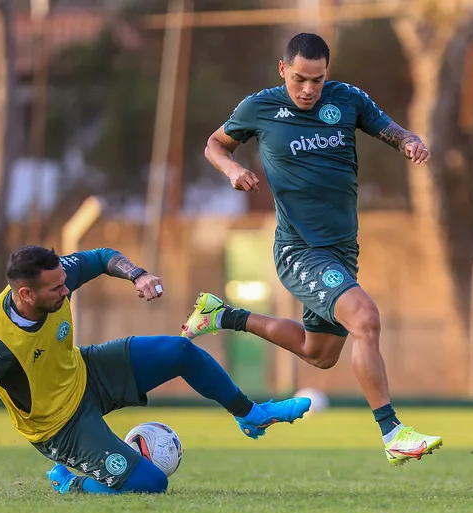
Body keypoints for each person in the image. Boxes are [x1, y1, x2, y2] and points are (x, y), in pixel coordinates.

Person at [185, 32, 442, 466]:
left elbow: (391, 129)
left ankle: (220, 315)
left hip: (342, 251)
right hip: (300, 251)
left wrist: (410, 141)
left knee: (317, 353)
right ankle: (393, 432)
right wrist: (231, 169)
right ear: (283, 70)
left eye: (317, 80)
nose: (308, 90)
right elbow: (215, 143)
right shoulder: (260, 107)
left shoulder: (347, 100)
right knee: (365, 318)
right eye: (300, 79)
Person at [0, 245, 311, 499]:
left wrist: (138, 275)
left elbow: (102, 257)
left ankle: (252, 416)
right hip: (59, 428)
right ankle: (73, 485)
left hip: (87, 371)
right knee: (152, 483)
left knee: (179, 350)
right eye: (55, 289)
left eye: (64, 281)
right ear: (25, 295)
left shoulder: (56, 278)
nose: (66, 290)